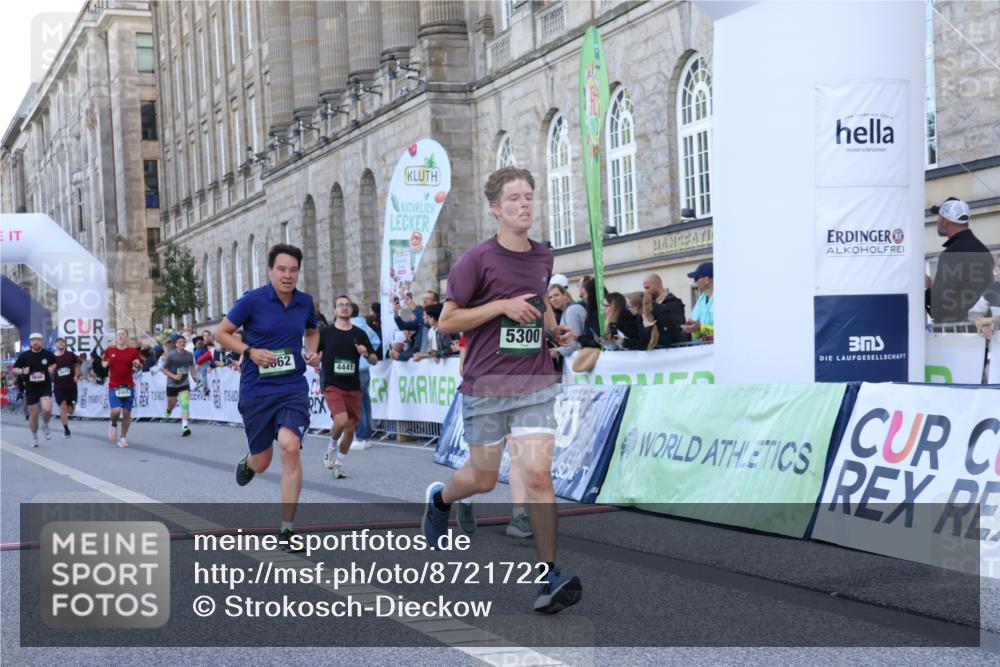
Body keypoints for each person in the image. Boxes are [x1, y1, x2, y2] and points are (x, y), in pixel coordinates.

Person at [422, 166, 581, 614]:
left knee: (538, 476)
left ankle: (547, 576)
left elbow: (535, 304)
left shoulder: (543, 257)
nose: (524, 204)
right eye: (513, 198)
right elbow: (448, 321)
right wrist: (499, 306)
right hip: (486, 385)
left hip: (533, 383)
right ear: (495, 208)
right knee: (484, 477)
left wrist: (554, 333)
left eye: (529, 196)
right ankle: (441, 500)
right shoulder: (477, 260)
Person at [214, 244, 321, 550]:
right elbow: (223, 333)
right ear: (270, 271)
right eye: (282, 269)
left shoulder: (304, 302)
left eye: (293, 270)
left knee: (290, 447)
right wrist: (249, 351)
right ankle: (249, 462)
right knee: (263, 462)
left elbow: (312, 330)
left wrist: (313, 351)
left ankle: (287, 529)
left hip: (291, 386)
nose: (288, 276)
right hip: (257, 389)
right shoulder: (252, 300)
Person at [319, 295, 378, 479]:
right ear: (335, 311)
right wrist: (314, 360)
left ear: (351, 310)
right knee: (341, 421)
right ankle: (331, 447)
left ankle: (339, 465)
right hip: (333, 384)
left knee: (351, 428)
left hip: (353, 386)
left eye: (347, 305)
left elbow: (374, 360)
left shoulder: (359, 334)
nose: (344, 308)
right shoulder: (326, 333)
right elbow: (315, 352)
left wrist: (366, 352)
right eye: (340, 305)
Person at [925, 198, 994, 323]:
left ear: (945, 222)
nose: (937, 221)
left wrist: (927, 289)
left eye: (938, 217)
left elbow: (938, 308)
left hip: (955, 333)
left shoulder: (952, 253)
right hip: (982, 330)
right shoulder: (984, 251)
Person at [101, 328, 143, 448]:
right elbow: (103, 363)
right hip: (114, 386)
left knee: (126, 413)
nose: (120, 336)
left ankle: (123, 437)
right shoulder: (110, 350)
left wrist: (137, 364)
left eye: (123, 334)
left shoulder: (132, 351)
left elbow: (139, 363)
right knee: (116, 410)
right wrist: (104, 362)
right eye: (118, 334)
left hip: (128, 386)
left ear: (126, 337)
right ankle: (113, 424)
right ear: (116, 337)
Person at [12, 333, 55, 446]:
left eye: (38, 340)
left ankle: (45, 424)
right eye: (33, 340)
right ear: (30, 343)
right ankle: (34, 437)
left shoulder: (48, 354)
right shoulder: (25, 356)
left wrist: (52, 368)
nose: (35, 342)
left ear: (42, 341)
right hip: (31, 388)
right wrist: (22, 371)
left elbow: (55, 364)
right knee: (34, 415)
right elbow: (14, 369)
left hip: (44, 386)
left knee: (47, 409)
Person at [350, 302, 381, 448]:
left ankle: (361, 436)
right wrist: (367, 354)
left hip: (355, 368)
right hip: (365, 368)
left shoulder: (350, 328)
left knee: (358, 403)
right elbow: (376, 341)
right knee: (365, 402)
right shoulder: (365, 326)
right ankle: (366, 436)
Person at [158, 334, 194, 437]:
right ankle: (169, 409)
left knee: (185, 404)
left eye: (183, 342)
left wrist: (194, 376)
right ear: (176, 344)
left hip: (184, 383)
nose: (182, 343)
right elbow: (163, 369)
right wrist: (174, 376)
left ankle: (185, 426)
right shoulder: (171, 355)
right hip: (172, 384)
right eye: (179, 342)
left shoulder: (189, 355)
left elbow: (192, 365)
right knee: (172, 405)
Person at [49, 337, 80, 438]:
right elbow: (49, 370)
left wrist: (76, 376)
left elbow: (77, 366)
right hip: (59, 387)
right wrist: (50, 370)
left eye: (62, 342)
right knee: (62, 406)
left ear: (65, 344)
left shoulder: (71, 355)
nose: (60, 344)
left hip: (71, 386)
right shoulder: (52, 357)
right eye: (58, 342)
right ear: (55, 345)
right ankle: (66, 429)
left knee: (71, 410)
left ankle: (68, 410)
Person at [969, 254, 1000, 339]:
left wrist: (989, 320)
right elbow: (973, 313)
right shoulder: (993, 288)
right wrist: (983, 326)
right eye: (999, 266)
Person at [682, 261, 715, 341]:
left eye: (696, 278)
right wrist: (691, 328)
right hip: (705, 349)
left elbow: (724, 332)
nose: (694, 281)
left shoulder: (725, 298)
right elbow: (697, 334)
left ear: (707, 279)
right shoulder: (701, 299)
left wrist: (700, 327)